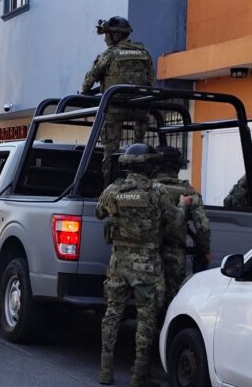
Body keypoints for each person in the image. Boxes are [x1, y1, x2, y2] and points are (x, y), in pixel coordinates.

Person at [95, 143, 183, 386]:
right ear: (149, 165)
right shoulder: (158, 193)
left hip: (118, 263)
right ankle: (139, 374)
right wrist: (184, 206)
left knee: (112, 313)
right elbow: (176, 222)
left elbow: (98, 213)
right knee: (146, 318)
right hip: (148, 266)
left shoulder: (113, 190)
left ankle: (105, 370)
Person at [81, 16, 155, 186]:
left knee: (111, 152)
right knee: (139, 151)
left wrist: (86, 92)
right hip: (141, 109)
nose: (105, 38)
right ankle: (140, 185)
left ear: (115, 35)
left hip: (114, 109)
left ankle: (110, 188)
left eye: (106, 34)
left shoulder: (109, 54)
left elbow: (88, 82)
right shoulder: (144, 53)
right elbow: (151, 80)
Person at [154, 146, 211, 304]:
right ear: (177, 167)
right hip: (174, 252)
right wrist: (205, 250)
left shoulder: (146, 189)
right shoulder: (189, 192)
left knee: (147, 303)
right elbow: (203, 226)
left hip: (147, 253)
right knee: (174, 300)